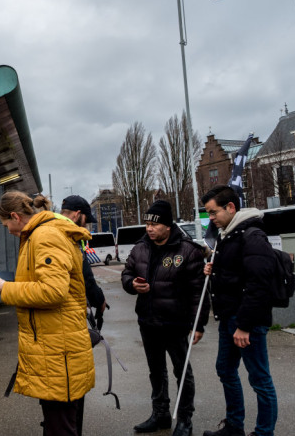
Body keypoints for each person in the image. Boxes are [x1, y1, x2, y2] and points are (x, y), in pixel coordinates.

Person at [0, 191, 95, 436]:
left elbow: (52, 292)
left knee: (61, 428)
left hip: (58, 351)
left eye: (6, 224)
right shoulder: (40, 234)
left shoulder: (45, 236)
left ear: (15, 216)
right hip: (56, 349)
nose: (7, 230)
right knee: (59, 424)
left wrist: (6, 289)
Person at [121, 200, 208, 436]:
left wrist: (198, 324)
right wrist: (132, 284)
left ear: (168, 226)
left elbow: (198, 291)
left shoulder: (188, 251)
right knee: (156, 370)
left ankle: (184, 420)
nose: (149, 228)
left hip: (176, 323)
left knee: (182, 371)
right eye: (147, 223)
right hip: (148, 322)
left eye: (154, 224)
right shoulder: (140, 247)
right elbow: (127, 272)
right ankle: (160, 415)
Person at [201, 186, 278, 436]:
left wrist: (244, 325)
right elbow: (237, 274)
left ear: (230, 207)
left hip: (246, 321)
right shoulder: (229, 234)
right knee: (225, 369)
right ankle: (234, 426)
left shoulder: (252, 235)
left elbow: (259, 284)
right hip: (228, 317)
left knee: (259, 379)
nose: (210, 219)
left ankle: (264, 432)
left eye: (213, 213)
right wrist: (216, 269)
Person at [60, 195, 109, 329]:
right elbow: (84, 275)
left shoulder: (56, 230)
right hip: (69, 310)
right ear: (77, 215)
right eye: (85, 220)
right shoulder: (69, 236)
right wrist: (99, 301)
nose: (85, 225)